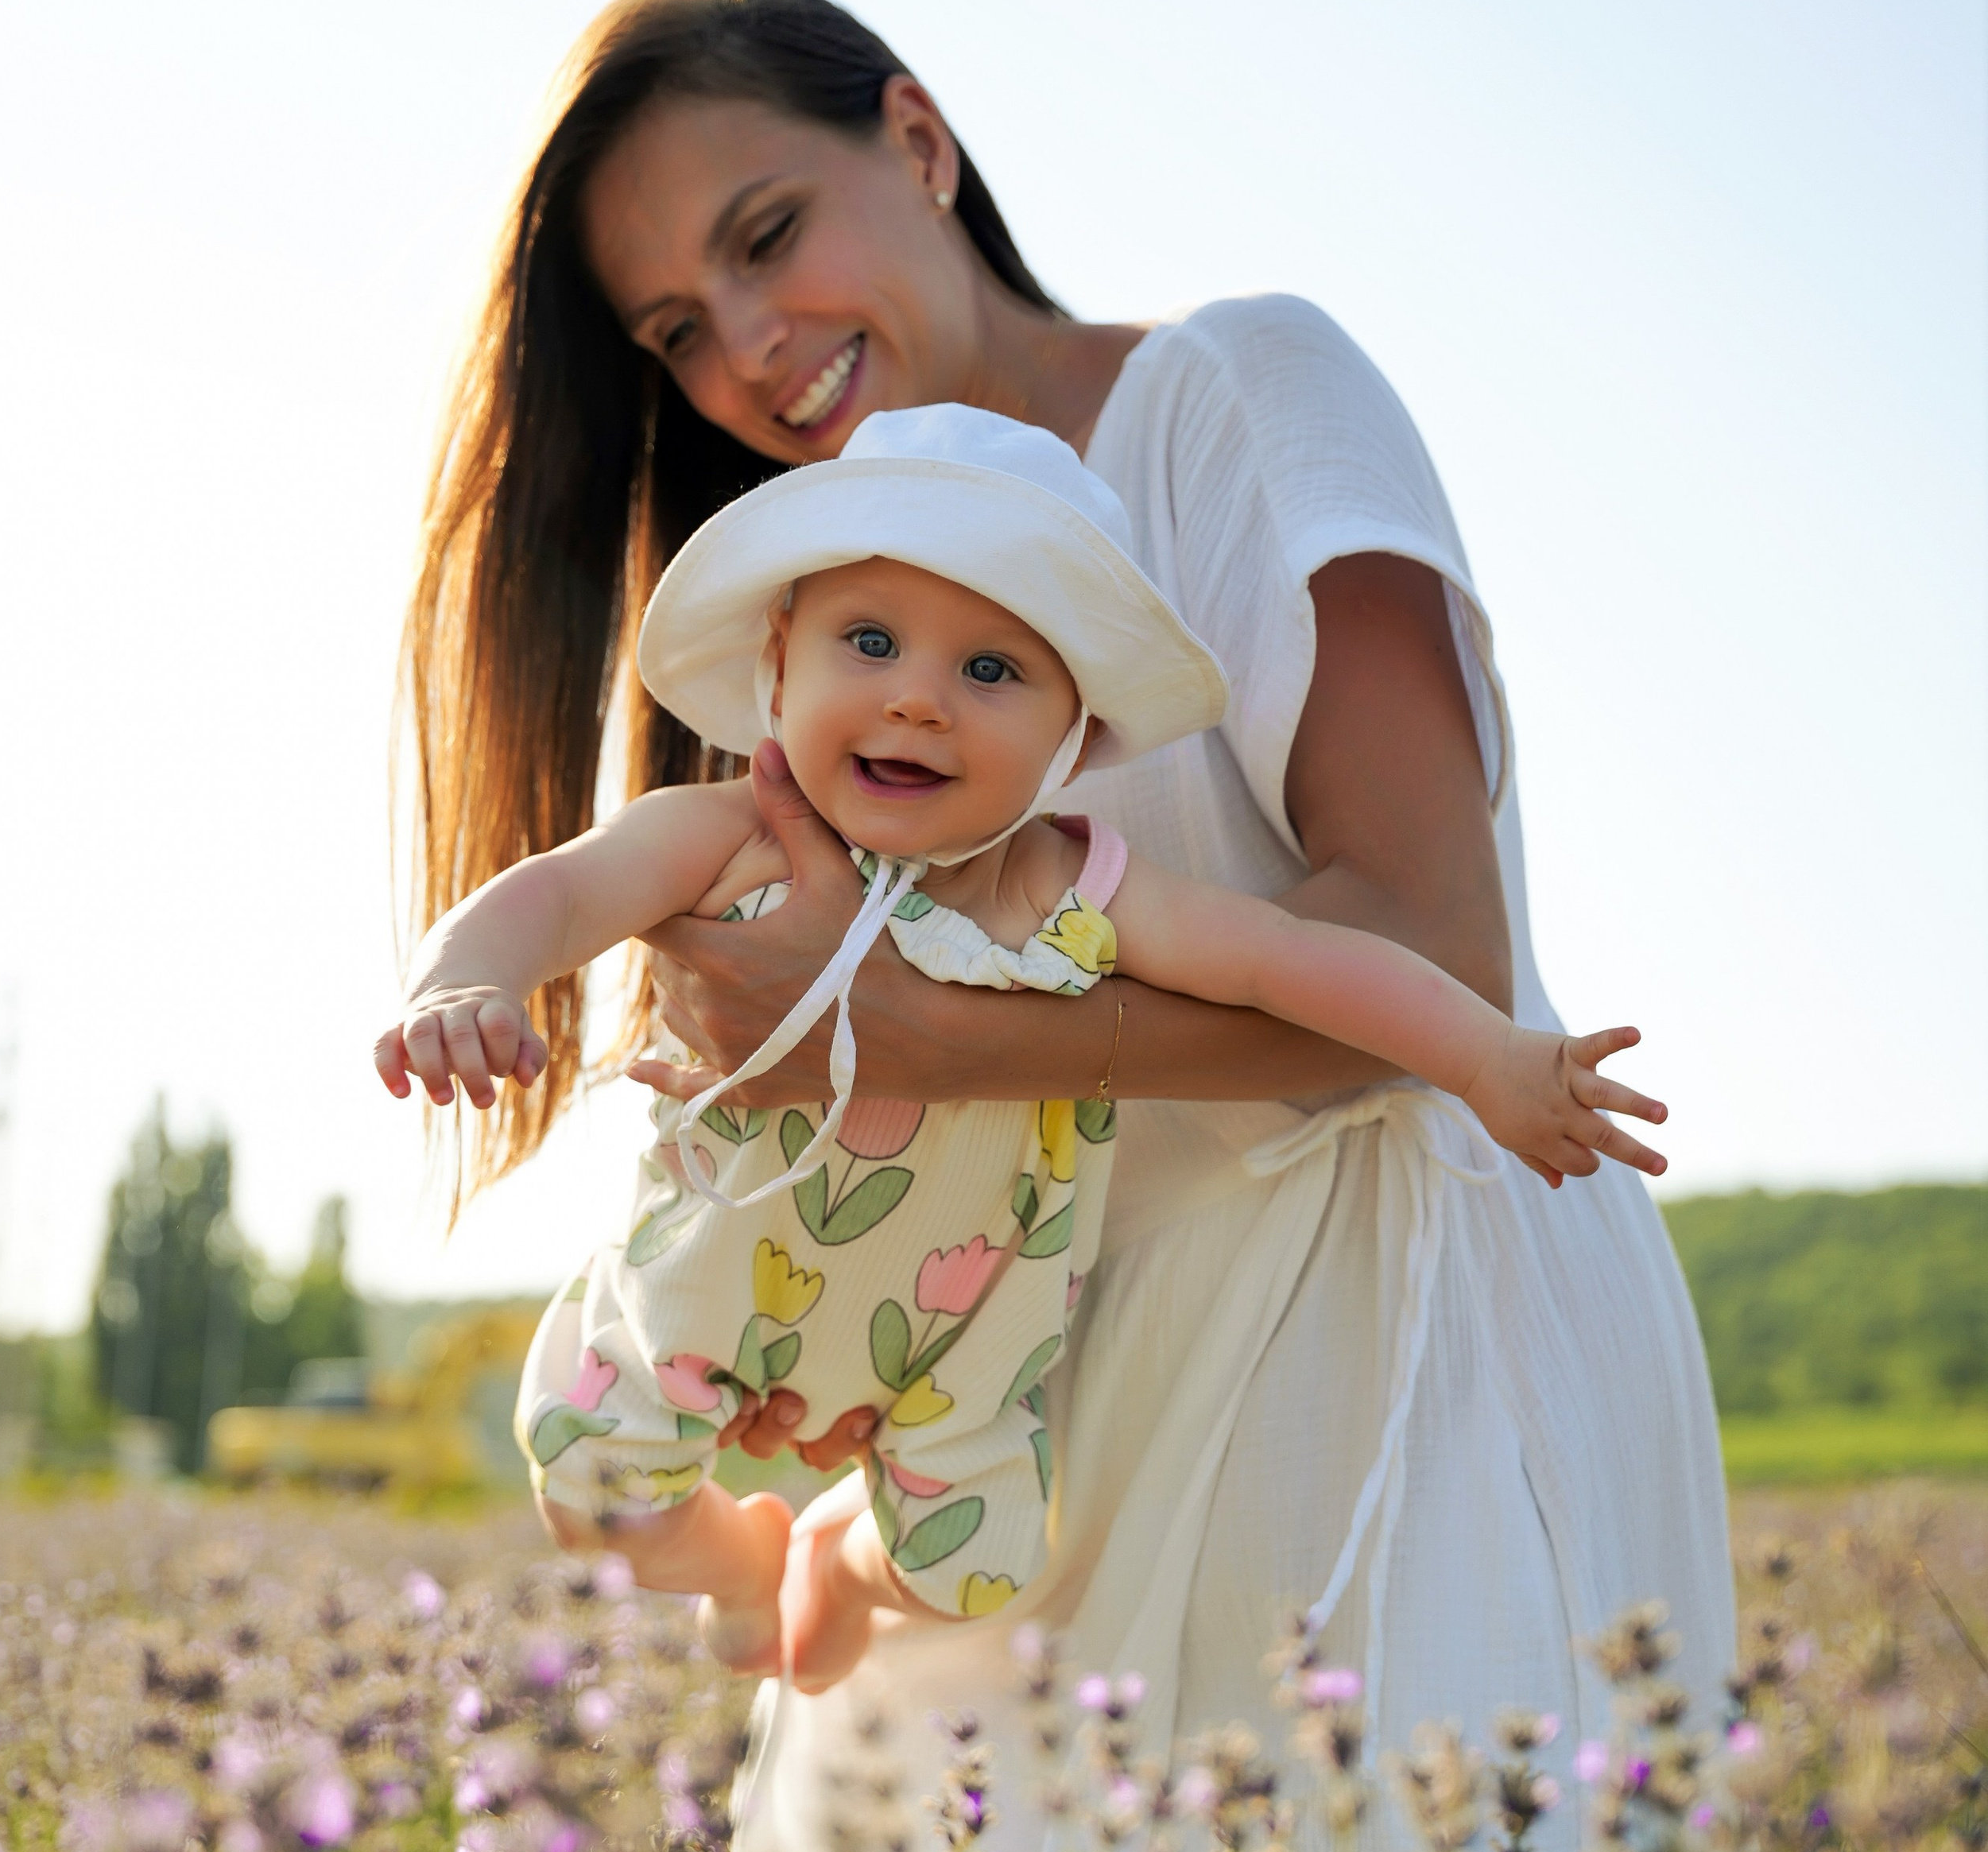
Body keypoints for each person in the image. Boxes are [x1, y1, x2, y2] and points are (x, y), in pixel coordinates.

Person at [401, 0, 1733, 1852]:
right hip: (1026, 1369)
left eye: (768, 234)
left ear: (915, 142)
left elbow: (1429, 936)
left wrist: (916, 1034)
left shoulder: (1236, 396)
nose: (749, 345)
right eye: (679, 328)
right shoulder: (835, 641)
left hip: (1378, 1327)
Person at [380, 406, 1666, 1694]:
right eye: (868, 641)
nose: (917, 698)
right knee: (596, 1495)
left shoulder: (1081, 893)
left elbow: (1295, 963)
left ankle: (836, 1567)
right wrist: (466, 977)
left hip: (963, 1346)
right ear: (780, 666)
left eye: (993, 671)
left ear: (1076, 737)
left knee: (975, 1573)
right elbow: (555, 892)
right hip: (708, 1295)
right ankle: (739, 1559)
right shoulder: (724, 837)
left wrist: (1488, 1058)